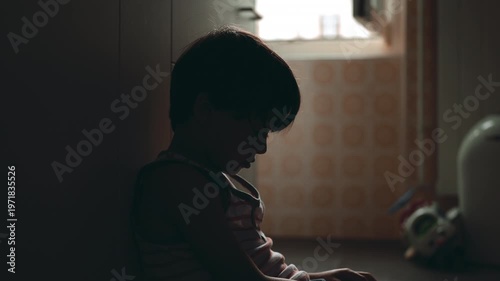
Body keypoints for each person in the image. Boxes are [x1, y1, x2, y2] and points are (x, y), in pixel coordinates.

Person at [130, 26, 377, 281]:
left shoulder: (211, 179)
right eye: (257, 131)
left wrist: (322, 276)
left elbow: (263, 270)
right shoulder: (179, 184)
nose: (261, 147)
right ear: (205, 110)